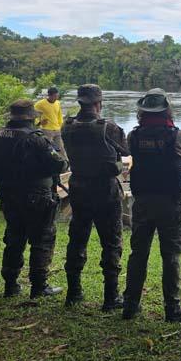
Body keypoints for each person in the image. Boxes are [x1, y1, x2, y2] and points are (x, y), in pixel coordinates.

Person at [122, 89, 181, 322]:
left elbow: (132, 155)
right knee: (171, 256)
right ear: (167, 109)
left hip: (142, 201)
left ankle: (130, 305)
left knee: (138, 254)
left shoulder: (133, 136)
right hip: (170, 203)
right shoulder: (179, 136)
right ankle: (172, 309)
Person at [0, 99, 68, 299]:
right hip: (36, 196)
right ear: (31, 118)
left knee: (14, 237)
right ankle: (39, 286)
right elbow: (59, 165)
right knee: (42, 239)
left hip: (8, 195)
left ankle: (10, 284)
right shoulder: (35, 138)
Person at [61, 84, 129, 311]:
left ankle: (73, 293)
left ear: (80, 102)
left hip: (78, 187)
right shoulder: (107, 127)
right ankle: (111, 298)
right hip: (104, 190)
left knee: (77, 238)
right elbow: (126, 151)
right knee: (111, 242)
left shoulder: (67, 125)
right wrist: (117, 164)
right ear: (99, 103)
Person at [35, 87, 65, 159]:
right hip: (47, 130)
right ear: (49, 95)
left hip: (57, 129)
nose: (56, 98)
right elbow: (34, 114)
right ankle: (48, 164)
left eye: (57, 96)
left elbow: (59, 115)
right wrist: (39, 122)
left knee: (61, 149)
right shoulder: (40, 104)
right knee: (48, 149)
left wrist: (61, 126)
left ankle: (64, 165)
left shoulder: (57, 103)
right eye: (55, 96)